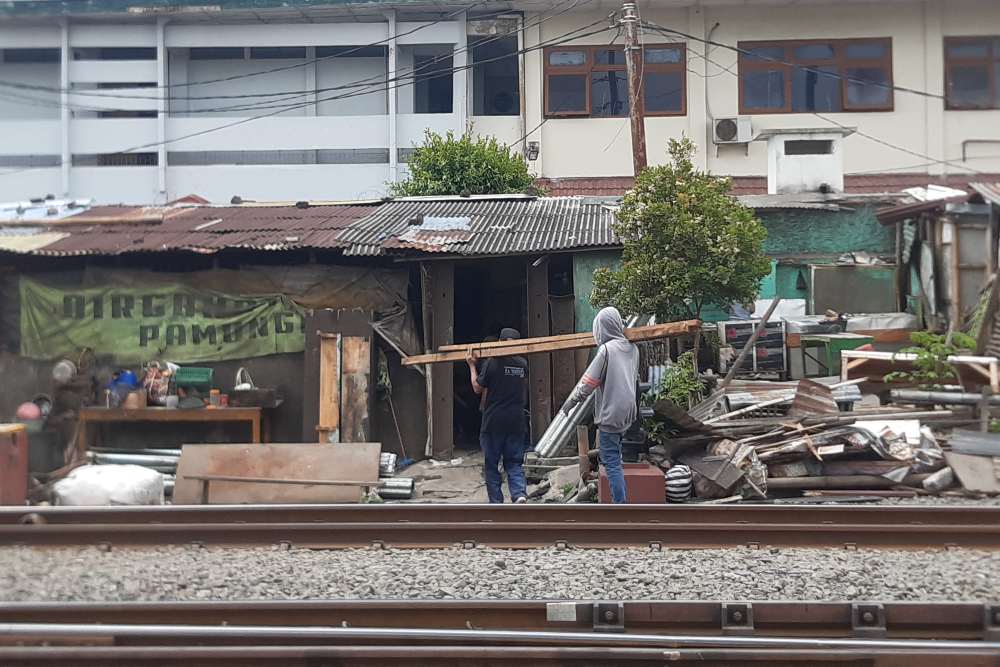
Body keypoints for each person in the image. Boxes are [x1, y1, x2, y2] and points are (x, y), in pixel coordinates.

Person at [561, 307, 639, 504]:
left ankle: (620, 506)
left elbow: (589, 383)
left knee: (611, 461)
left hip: (611, 413)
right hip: (628, 413)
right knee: (617, 458)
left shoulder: (606, 350)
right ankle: (619, 501)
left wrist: (571, 402)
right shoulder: (633, 349)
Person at [466, 328, 528, 504]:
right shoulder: (523, 364)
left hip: (494, 421)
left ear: (500, 342)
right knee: (514, 461)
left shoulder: (493, 363)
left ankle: (496, 502)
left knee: (492, 463)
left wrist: (471, 365)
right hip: (516, 419)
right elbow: (523, 391)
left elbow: (477, 388)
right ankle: (519, 494)